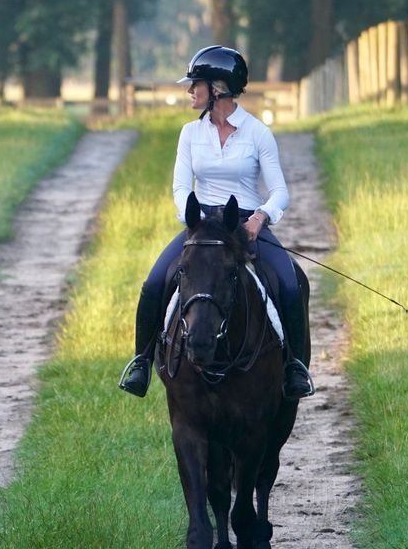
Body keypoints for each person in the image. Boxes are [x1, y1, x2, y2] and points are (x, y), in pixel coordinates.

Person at [118, 45, 314, 400]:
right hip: (202, 227)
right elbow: (180, 187)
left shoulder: (257, 133)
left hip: (244, 225)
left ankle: (295, 368)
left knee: (290, 284)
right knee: (153, 283)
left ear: (218, 89)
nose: (190, 90)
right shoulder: (190, 134)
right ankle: (142, 363)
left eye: (197, 84)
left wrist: (260, 217)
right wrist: (191, 216)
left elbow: (280, 191)